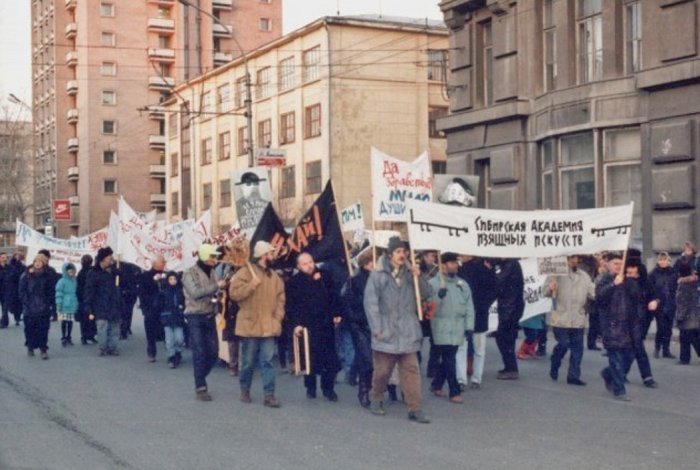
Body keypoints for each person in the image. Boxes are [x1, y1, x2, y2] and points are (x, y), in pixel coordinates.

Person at [364, 236, 432, 423]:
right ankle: (376, 397)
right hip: (387, 331)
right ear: (390, 254)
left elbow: (426, 294)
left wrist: (420, 278)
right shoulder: (378, 275)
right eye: (399, 251)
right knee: (383, 371)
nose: (403, 255)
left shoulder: (411, 273)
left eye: (404, 251)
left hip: (408, 331)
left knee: (411, 371)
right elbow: (371, 304)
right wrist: (377, 328)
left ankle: (415, 408)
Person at [229, 241, 285, 408]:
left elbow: (281, 299)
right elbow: (234, 293)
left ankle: (269, 395)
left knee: (267, 361)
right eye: (271, 253)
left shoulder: (274, 277)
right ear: (263, 255)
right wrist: (250, 286)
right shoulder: (245, 273)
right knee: (248, 362)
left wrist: (278, 318)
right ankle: (245, 389)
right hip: (250, 326)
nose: (273, 256)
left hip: (269, 326)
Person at [287, 253, 342, 401]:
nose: (309, 265)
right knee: (309, 357)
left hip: (325, 323)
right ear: (298, 266)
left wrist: (337, 313)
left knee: (329, 358)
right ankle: (310, 387)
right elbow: (292, 306)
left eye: (310, 261)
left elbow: (334, 295)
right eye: (305, 263)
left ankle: (328, 388)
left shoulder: (325, 275)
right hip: (307, 325)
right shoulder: (294, 282)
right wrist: (296, 324)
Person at [428, 252, 474, 404]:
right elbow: (429, 308)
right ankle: (454, 391)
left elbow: (469, 307)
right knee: (449, 357)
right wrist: (438, 297)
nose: (455, 265)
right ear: (443, 265)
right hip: (441, 326)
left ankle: (436, 384)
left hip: (458, 326)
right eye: (452, 263)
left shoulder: (462, 284)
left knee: (449, 357)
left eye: (456, 263)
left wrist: (469, 326)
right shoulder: (434, 284)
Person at [544, 255, 595, 386]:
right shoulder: (555, 274)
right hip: (561, 318)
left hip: (578, 317)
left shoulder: (584, 276)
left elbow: (593, 292)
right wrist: (551, 288)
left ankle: (573, 376)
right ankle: (555, 362)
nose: (573, 260)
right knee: (563, 344)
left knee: (578, 349)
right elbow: (545, 292)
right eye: (570, 258)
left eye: (575, 258)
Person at [182, 244, 223, 401]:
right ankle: (201, 386)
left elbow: (216, 291)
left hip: (209, 314)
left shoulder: (213, 272)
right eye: (212, 256)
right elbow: (196, 293)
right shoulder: (189, 273)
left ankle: (200, 375)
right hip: (195, 315)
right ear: (205, 257)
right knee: (199, 350)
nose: (215, 259)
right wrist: (216, 287)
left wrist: (221, 291)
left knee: (213, 352)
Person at [597, 253, 635, 401]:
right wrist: (614, 285)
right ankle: (619, 390)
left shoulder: (626, 279)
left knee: (629, 356)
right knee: (616, 359)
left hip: (626, 324)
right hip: (611, 325)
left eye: (620, 263)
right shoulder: (603, 279)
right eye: (615, 263)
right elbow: (599, 297)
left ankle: (608, 373)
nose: (618, 266)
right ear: (608, 265)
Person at [458, 256, 497, 389]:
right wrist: (484, 305)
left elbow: (493, 289)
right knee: (478, 348)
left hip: (468, 314)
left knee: (463, 348)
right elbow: (494, 289)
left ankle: (462, 380)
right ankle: (475, 379)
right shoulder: (484, 268)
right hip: (479, 314)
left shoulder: (461, 270)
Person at [341, 249, 375, 407]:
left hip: (376, 325)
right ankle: (364, 390)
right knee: (366, 359)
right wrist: (355, 320)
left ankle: (356, 374)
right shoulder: (355, 280)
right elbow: (347, 303)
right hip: (360, 325)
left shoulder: (380, 279)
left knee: (374, 359)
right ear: (367, 263)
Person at [623, 259, 659, 389]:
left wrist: (655, 301)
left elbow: (655, 295)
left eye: (633, 267)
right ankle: (647, 377)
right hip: (626, 320)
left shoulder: (645, 282)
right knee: (637, 349)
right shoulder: (622, 281)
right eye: (628, 268)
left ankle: (619, 373)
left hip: (642, 320)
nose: (630, 270)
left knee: (633, 349)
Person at [85, 247, 122, 357]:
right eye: (109, 257)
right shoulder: (93, 273)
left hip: (113, 303)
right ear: (103, 259)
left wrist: (116, 271)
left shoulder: (113, 271)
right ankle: (103, 347)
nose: (111, 259)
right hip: (100, 303)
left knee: (114, 327)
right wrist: (88, 305)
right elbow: (89, 289)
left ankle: (113, 347)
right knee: (102, 327)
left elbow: (123, 277)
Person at [18, 253, 55, 359]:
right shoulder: (26, 275)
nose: (38, 263)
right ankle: (30, 346)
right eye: (36, 261)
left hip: (43, 307)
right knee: (30, 329)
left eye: (40, 261)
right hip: (29, 307)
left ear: (43, 263)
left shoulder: (48, 275)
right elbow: (21, 291)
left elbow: (50, 291)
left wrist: (50, 304)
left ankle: (43, 349)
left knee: (43, 329)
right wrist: (26, 302)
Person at [494, 258, 525, 380]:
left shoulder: (511, 264)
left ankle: (511, 368)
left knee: (503, 337)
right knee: (507, 338)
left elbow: (499, 280)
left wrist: (491, 269)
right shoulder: (509, 264)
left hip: (510, 308)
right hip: (511, 306)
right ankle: (510, 367)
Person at [648, 252, 678, 359]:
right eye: (661, 260)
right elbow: (649, 289)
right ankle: (657, 348)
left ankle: (666, 350)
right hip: (659, 303)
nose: (662, 262)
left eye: (665, 260)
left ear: (669, 261)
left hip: (670, 303)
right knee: (661, 327)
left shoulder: (673, 272)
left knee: (668, 328)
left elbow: (675, 287)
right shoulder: (653, 273)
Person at [138, 256, 167, 362]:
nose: (164, 263)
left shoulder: (168, 275)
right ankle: (151, 352)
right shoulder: (145, 276)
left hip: (165, 308)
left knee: (167, 331)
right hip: (151, 308)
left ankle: (172, 353)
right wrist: (144, 307)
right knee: (150, 332)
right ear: (155, 264)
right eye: (162, 261)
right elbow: (141, 293)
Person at [156, 271, 186, 369]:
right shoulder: (164, 292)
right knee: (169, 339)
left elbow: (184, 303)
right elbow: (158, 305)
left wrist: (182, 309)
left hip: (178, 318)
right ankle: (171, 356)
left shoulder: (180, 292)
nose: (173, 281)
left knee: (179, 338)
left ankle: (178, 351)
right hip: (167, 317)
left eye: (175, 279)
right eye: (170, 279)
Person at [675, 263, 700, 365]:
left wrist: (680, 316)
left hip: (686, 315)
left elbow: (682, 302)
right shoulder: (693, 282)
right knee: (695, 337)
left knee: (684, 338)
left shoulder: (683, 285)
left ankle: (684, 359)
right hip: (694, 313)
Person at [55, 262, 79, 346]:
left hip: (72, 303)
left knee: (70, 322)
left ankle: (69, 336)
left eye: (72, 272)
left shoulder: (74, 280)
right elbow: (59, 293)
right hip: (64, 304)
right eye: (69, 272)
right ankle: (63, 337)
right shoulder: (61, 281)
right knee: (64, 322)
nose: (71, 273)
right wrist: (59, 304)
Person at [76, 254, 97, 344]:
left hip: (84, 298)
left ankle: (86, 336)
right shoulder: (89, 272)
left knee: (85, 319)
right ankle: (89, 336)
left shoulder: (82, 272)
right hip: (88, 298)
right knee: (89, 318)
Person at [118, 261, 141, 340]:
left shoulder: (121, 269)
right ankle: (126, 328)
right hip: (130, 293)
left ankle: (123, 330)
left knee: (123, 313)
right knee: (127, 312)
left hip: (125, 293)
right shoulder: (134, 269)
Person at [37, 249, 60, 322]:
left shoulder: (51, 269)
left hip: (51, 288)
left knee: (52, 301)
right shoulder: (36, 269)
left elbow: (55, 279)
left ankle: (54, 314)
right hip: (41, 289)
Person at [0, 251, 7, 328]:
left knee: (5, 307)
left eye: (5, 257)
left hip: (7, 291)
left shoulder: (9, 268)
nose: (4, 259)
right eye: (3, 258)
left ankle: (3, 322)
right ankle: (5, 320)